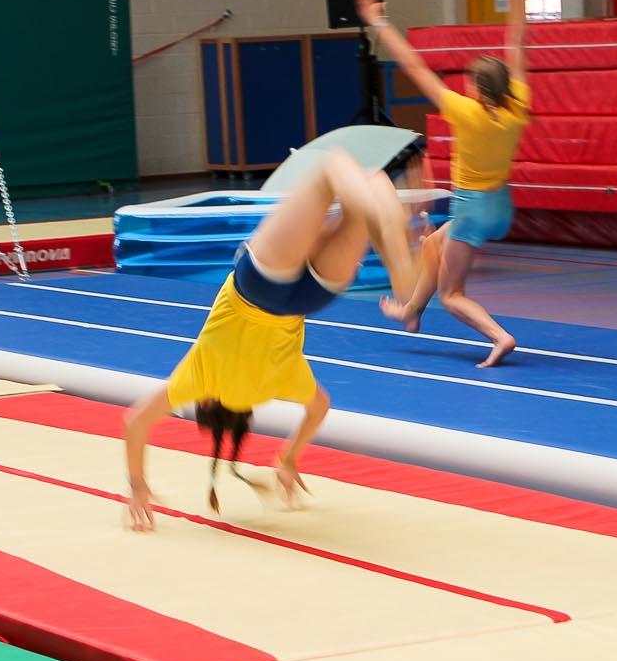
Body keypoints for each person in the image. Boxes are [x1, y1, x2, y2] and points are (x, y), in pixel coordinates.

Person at [122, 148, 417, 531]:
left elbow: (319, 407)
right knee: (333, 166)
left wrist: (288, 457)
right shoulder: (202, 379)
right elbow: (135, 422)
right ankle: (391, 242)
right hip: (257, 285)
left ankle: (386, 238)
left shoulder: (274, 385)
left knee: (369, 188)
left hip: (309, 299)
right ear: (206, 402)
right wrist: (137, 484)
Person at [354, 0, 531, 368]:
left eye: (469, 82)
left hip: (471, 209)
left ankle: (499, 337)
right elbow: (518, 44)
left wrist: (378, 21)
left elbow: (414, 66)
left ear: (479, 91)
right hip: (499, 205)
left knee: (452, 294)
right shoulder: (517, 107)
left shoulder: (466, 113)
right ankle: (410, 312)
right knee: (433, 244)